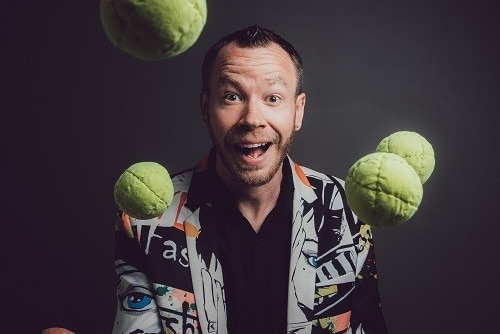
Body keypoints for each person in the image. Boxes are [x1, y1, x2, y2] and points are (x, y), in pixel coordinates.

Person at [43, 24, 389, 334]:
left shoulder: (347, 208)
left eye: (272, 98)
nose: (252, 118)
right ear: (205, 108)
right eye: (232, 96)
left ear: (297, 111)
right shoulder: (146, 219)